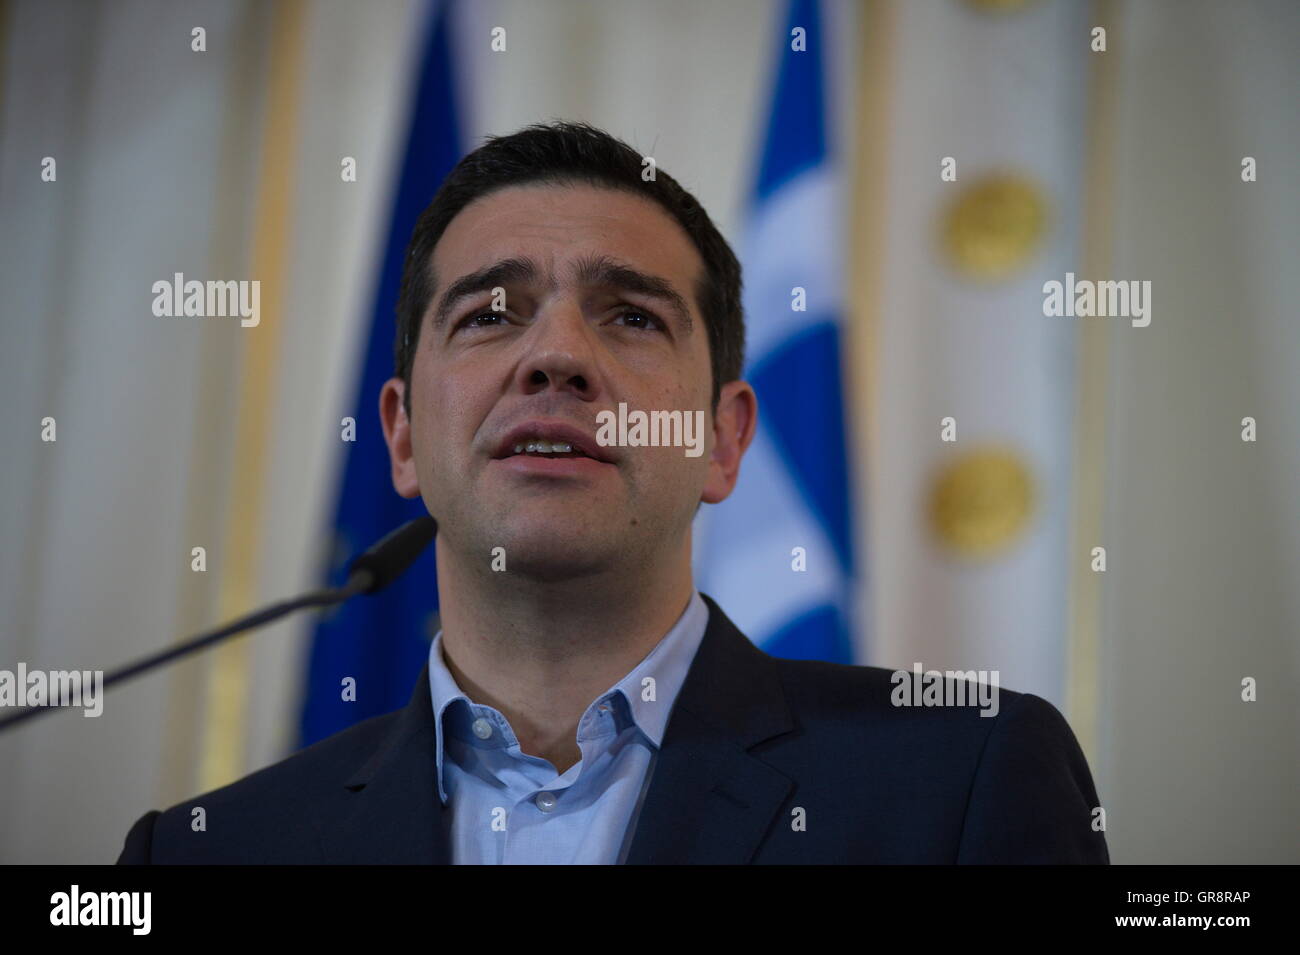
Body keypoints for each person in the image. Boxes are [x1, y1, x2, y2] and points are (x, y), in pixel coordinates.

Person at [117, 122, 1108, 864]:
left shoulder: (964, 780)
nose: (555, 355)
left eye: (630, 315)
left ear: (724, 442)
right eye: (488, 315)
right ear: (404, 435)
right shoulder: (207, 854)